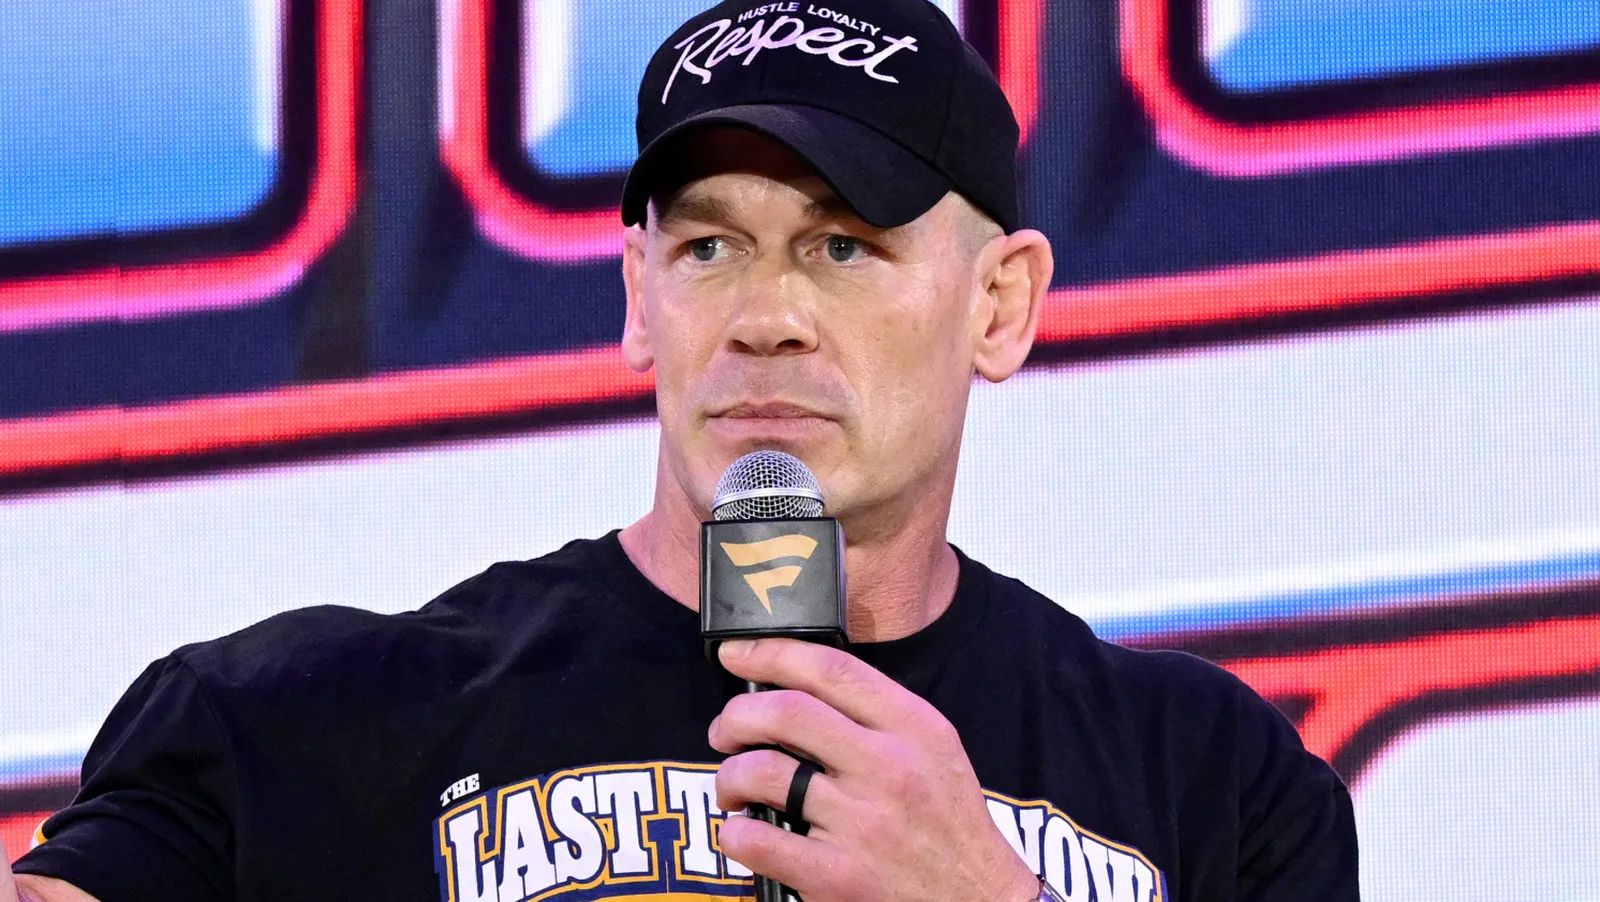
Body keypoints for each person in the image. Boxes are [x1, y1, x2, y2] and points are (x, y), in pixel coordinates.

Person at [5, 0, 1359, 899]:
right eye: (711, 246)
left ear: (1000, 304)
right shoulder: (314, 723)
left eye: (843, 247)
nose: (766, 316)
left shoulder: (1211, 781)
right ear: (639, 298)